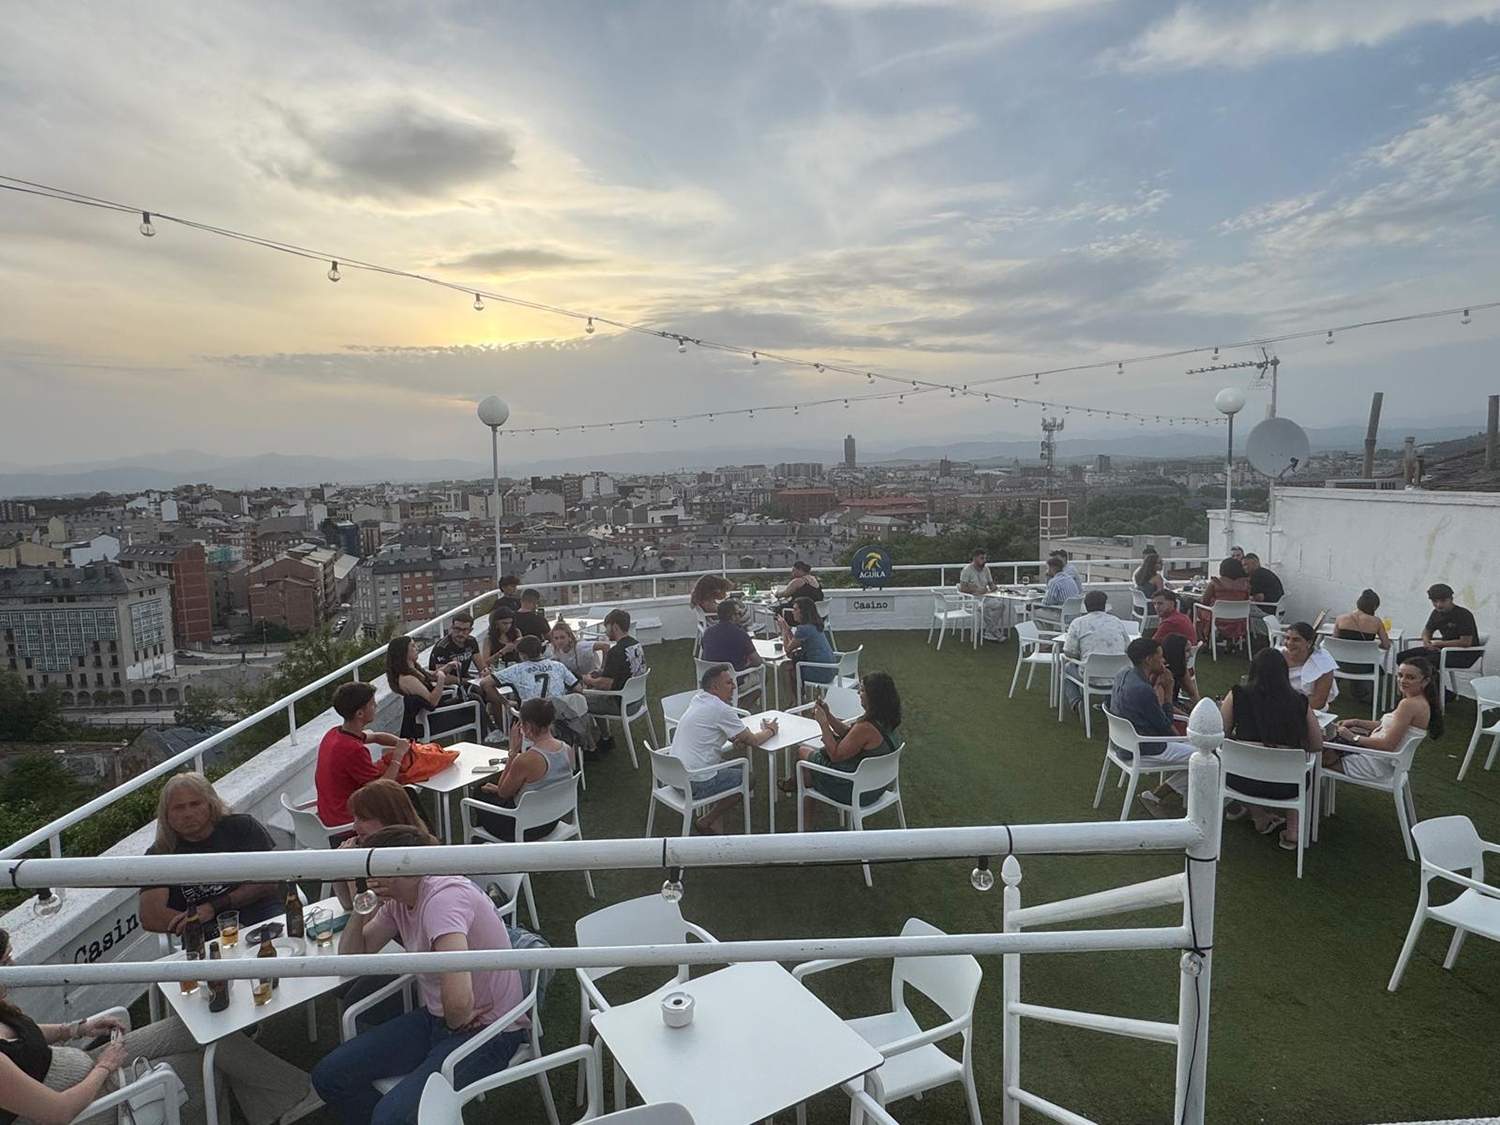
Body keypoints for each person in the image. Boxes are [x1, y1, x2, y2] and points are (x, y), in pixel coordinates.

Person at [311, 825, 528, 1125]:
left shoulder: (442, 899)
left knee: (390, 1118)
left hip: (488, 1029)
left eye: (370, 871)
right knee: (328, 1076)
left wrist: (455, 1019)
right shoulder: (398, 902)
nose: (366, 878)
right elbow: (349, 961)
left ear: (399, 870)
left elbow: (460, 1003)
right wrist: (363, 906)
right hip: (439, 1020)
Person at [1, 928, 315, 1125]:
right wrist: (106, 1068)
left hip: (92, 1071)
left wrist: (77, 1028)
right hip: (87, 1104)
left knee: (193, 1031)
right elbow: (58, 1112)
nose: (13, 967)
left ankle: (285, 1098)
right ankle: (292, 1095)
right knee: (197, 1068)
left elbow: (24, 1036)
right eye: (5, 962)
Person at [140, 774, 282, 935]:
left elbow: (269, 880)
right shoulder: (161, 853)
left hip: (260, 913)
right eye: (178, 808)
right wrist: (196, 923)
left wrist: (213, 907)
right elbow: (150, 916)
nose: (188, 814)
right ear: (167, 815)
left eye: (195, 804)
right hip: (203, 930)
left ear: (211, 804)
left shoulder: (241, 827)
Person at [1220, 648, 1325, 847]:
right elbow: (1317, 744)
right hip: (1287, 786)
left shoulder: (1238, 695)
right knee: (1299, 764)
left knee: (1238, 760)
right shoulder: (1299, 701)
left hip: (1240, 779)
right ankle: (1293, 829)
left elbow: (1220, 733)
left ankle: (1259, 816)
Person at [669, 664, 780, 834]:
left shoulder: (698, 699)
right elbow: (755, 741)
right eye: (729, 683)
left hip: (672, 774)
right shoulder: (721, 709)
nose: (734, 686)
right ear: (715, 688)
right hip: (693, 782)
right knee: (747, 778)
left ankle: (715, 824)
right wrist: (771, 730)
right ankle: (706, 821)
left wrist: (736, 737)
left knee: (728, 766)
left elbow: (712, 727)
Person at [788, 672, 902, 828]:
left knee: (802, 753)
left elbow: (835, 755)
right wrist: (828, 715)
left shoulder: (865, 727)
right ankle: (799, 786)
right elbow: (849, 735)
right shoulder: (887, 720)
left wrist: (822, 723)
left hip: (856, 790)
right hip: (877, 787)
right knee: (808, 766)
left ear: (873, 697)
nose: (858, 693)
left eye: (862, 690)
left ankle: (805, 823)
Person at [468, 698, 576, 842]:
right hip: (552, 819)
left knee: (479, 792)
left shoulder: (526, 760)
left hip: (525, 826)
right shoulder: (567, 749)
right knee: (490, 789)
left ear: (527, 726)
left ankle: (482, 845)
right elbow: (544, 784)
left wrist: (513, 752)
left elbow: (503, 793)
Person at [1110, 638, 1197, 815]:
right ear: (1148, 660)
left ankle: (1162, 796)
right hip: (1145, 747)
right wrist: (1168, 691)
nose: (1164, 660)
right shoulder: (1143, 689)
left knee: (1197, 752)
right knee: (1205, 756)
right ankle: (1157, 796)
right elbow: (1165, 727)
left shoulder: (1122, 674)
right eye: (1160, 656)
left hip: (1121, 743)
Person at [1324, 657, 1442, 781]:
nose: (1402, 680)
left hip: (1374, 763)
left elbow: (1388, 745)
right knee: (1324, 740)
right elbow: (1386, 726)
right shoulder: (1419, 701)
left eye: (1410, 677)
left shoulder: (1409, 705)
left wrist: (1353, 737)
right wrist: (1356, 722)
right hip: (1380, 759)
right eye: (1400, 675)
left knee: (1313, 751)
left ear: (1425, 681)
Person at [315, 682, 410, 829]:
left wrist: (401, 743)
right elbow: (382, 789)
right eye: (372, 704)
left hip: (328, 812)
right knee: (402, 801)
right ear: (359, 713)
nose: (376, 707)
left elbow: (376, 737)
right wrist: (398, 756)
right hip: (345, 821)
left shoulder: (334, 733)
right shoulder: (353, 750)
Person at [580, 609, 647, 754]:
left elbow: (606, 684)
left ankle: (589, 747)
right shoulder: (636, 644)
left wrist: (587, 679)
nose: (605, 631)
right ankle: (605, 738)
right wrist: (600, 674)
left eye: (607, 627)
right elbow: (624, 670)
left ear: (614, 626)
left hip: (620, 703)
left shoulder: (615, 651)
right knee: (596, 693)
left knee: (580, 700)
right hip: (637, 700)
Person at [1062, 590, 1131, 709]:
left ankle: (1076, 702)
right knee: (1110, 661)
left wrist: (1080, 655)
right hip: (1118, 677)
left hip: (1090, 676)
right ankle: (1109, 703)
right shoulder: (1116, 621)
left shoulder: (1078, 623)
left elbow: (1069, 652)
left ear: (1085, 606)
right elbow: (1127, 647)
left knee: (1067, 667)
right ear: (1104, 605)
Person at [385, 636, 458, 742]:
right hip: (433, 718)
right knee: (473, 700)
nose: (417, 648)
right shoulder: (407, 678)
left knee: (471, 695)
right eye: (413, 646)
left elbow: (432, 676)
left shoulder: (414, 669)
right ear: (404, 652)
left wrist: (447, 667)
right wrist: (442, 679)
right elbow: (432, 701)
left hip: (436, 713)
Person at [1397, 583, 1480, 676]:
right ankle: (1411, 686)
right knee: (1402, 657)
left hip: (1464, 654)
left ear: (1451, 599)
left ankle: (1433, 689)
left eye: (1443, 601)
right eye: (1435, 601)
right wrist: (1427, 642)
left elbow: (1465, 642)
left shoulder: (1463, 615)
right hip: (1443, 649)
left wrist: (1439, 643)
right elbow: (1426, 631)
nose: (1439, 605)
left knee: (1423, 663)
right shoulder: (1436, 613)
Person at [1334, 589, 1392, 702]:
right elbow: (1386, 645)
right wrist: (1374, 646)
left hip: (1340, 664)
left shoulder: (1340, 619)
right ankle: (1362, 693)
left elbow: (1334, 642)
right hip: (1363, 666)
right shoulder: (1376, 622)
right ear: (1374, 607)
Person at [778, 596, 835, 698]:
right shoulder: (815, 625)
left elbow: (788, 649)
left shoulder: (804, 629)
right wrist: (787, 629)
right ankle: (799, 697)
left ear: (803, 612)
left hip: (820, 671)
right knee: (792, 666)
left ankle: (794, 701)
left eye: (795, 609)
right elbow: (795, 641)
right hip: (830, 669)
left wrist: (783, 630)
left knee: (786, 667)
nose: (792, 612)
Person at [1281, 622, 1338, 710]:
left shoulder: (1324, 663)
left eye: (1296, 640)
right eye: (1287, 638)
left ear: (1309, 643)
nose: (1289, 643)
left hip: (1309, 709)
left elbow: (1318, 702)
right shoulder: (1278, 655)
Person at [1196, 557, 1251, 647]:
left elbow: (1204, 601)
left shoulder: (1216, 583)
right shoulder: (1245, 584)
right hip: (1239, 618)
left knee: (1197, 608)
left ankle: (1202, 639)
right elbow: (1246, 600)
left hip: (1218, 618)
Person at [700, 599, 761, 671]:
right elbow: (757, 661)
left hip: (711, 677)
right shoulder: (741, 634)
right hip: (733, 678)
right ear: (733, 616)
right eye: (739, 613)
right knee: (762, 672)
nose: (741, 616)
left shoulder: (707, 632)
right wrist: (748, 664)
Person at [959, 547, 1003, 640]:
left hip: (985, 597)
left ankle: (989, 631)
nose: (984, 561)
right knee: (985, 607)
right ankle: (994, 632)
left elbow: (991, 584)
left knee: (1001, 605)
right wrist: (975, 591)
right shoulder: (967, 570)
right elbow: (962, 588)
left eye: (985, 558)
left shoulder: (986, 569)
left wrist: (994, 588)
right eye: (982, 558)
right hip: (972, 599)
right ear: (975, 558)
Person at [426, 612, 478, 677]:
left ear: (470, 630)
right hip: (445, 683)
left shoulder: (471, 641)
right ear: (452, 627)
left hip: (464, 678)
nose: (460, 633)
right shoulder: (442, 646)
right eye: (457, 629)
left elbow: (481, 666)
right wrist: (467, 681)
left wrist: (485, 672)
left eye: (465, 630)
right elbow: (441, 676)